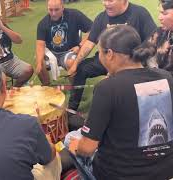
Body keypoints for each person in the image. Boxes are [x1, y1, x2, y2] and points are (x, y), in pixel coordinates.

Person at [68, 25, 173, 180]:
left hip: (119, 174)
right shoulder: (166, 77)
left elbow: (88, 148)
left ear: (109, 54)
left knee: (69, 138)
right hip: (165, 170)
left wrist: (76, 146)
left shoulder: (107, 88)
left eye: (100, 53)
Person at [66, 0, 157, 112]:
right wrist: (75, 64)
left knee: (108, 89)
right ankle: (71, 109)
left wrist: (120, 67)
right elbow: (89, 43)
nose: (105, 3)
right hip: (105, 59)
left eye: (110, 0)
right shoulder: (101, 18)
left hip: (130, 63)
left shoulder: (139, 13)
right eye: (104, 0)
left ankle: (114, 113)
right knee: (81, 69)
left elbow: (152, 40)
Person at [36, 0, 92, 85]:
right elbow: (40, 45)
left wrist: (80, 46)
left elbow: (92, 29)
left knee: (71, 63)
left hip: (69, 51)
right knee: (39, 61)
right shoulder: (43, 23)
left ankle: (75, 90)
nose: (53, 13)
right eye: (50, 10)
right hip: (51, 52)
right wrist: (39, 63)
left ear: (63, 7)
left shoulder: (74, 15)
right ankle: (47, 86)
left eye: (56, 9)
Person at [146, 0, 173, 73]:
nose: (159, 18)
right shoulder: (159, 32)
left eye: (164, 14)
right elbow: (144, 52)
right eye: (160, 13)